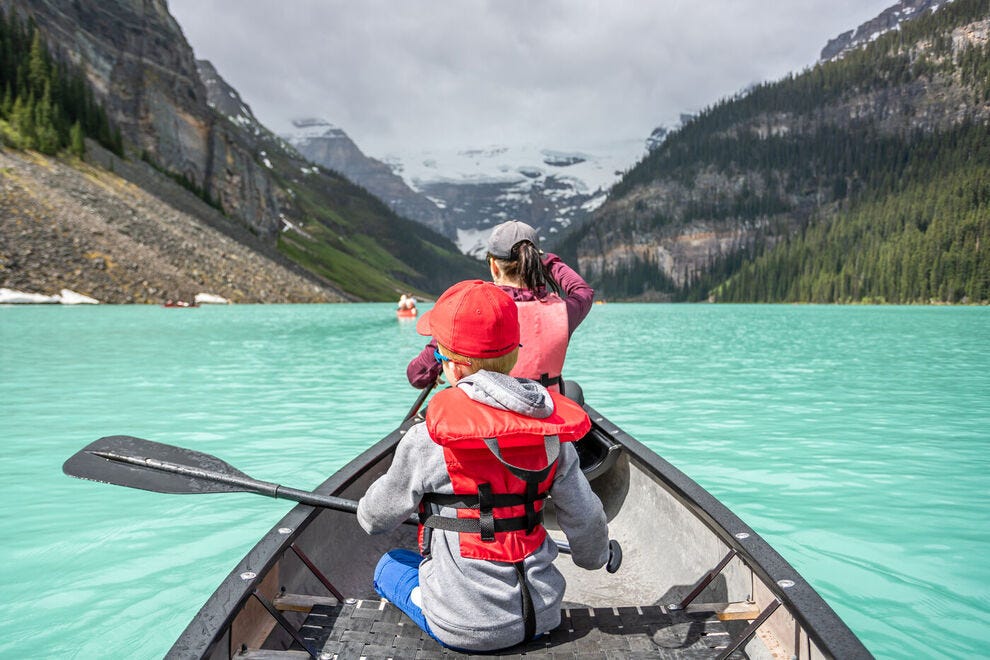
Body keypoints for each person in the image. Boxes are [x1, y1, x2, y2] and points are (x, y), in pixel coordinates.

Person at [357, 280, 609, 652]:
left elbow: (373, 519)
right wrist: (596, 556)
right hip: (543, 615)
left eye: (440, 358)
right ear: (513, 354)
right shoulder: (552, 434)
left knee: (390, 564)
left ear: (454, 367)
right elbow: (587, 524)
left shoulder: (429, 437)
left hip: (465, 629)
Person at [407, 220, 593, 393]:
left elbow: (418, 376)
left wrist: (438, 365)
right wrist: (548, 261)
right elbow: (583, 291)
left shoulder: (470, 310)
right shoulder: (563, 311)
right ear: (537, 261)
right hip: (547, 415)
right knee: (572, 390)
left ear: (494, 266)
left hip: (490, 418)